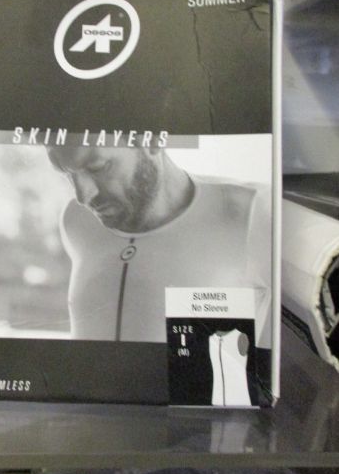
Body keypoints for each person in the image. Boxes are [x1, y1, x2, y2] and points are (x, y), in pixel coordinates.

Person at [47, 144, 271, 347]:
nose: (83, 196)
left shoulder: (256, 212)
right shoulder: (76, 219)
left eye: (97, 167)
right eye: (67, 174)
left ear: (152, 140)